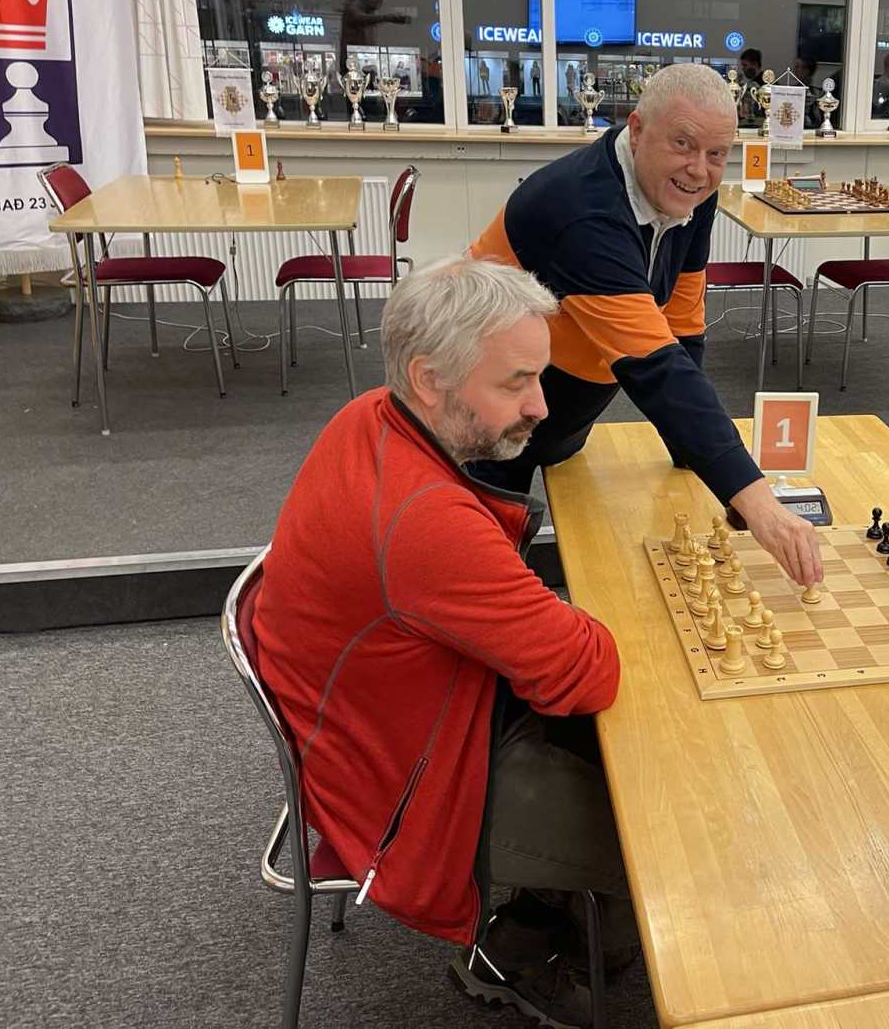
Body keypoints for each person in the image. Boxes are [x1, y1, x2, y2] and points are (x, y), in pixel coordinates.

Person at [253, 258, 631, 1028]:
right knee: (667, 816)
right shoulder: (423, 522)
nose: (541, 406)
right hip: (400, 784)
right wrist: (565, 622)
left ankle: (536, 924)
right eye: (515, 382)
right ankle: (523, 948)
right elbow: (587, 672)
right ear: (429, 379)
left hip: (363, 720)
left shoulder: (369, 413)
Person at [468, 63, 824, 587]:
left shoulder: (690, 192)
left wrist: (690, 452)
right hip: (482, 403)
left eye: (717, 154)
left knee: (540, 520)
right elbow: (654, 366)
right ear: (636, 130)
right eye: (682, 143)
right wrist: (758, 503)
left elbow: (683, 321)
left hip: (562, 397)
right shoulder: (582, 211)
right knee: (483, 568)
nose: (699, 170)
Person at [338, 0, 410, 75]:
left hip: (368, 67)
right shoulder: (352, 10)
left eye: (381, 0)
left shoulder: (372, 14)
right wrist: (388, 17)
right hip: (352, 70)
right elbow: (362, 19)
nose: (379, 2)